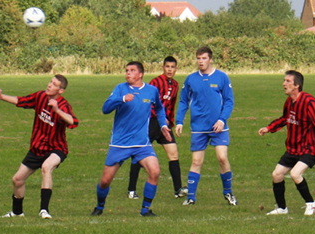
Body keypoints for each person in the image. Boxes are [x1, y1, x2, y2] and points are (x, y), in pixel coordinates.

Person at [0, 75, 78, 219]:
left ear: (61, 91)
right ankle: (17, 213)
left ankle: (44, 210)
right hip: (37, 147)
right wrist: (0, 96)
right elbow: (21, 100)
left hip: (56, 148)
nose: (49, 85)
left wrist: (57, 110)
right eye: (50, 82)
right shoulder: (40, 96)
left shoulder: (63, 105)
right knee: (17, 180)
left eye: (54, 84)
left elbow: (73, 121)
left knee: (46, 167)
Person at [91, 61, 171, 217]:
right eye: (127, 70)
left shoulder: (151, 91)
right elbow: (105, 109)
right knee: (105, 181)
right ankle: (100, 207)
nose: (128, 73)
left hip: (142, 144)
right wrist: (121, 99)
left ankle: (145, 210)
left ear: (140, 74)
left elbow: (160, 109)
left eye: (132, 70)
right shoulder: (120, 88)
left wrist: (163, 125)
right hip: (120, 144)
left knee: (155, 172)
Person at [258, 70, 315, 216]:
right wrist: (269, 128)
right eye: (284, 81)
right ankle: (282, 208)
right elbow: (285, 118)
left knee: (295, 174)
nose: (284, 84)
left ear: (297, 85)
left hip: (310, 148)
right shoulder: (289, 102)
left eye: (288, 81)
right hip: (294, 148)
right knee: (276, 175)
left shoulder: (308, 101)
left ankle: (311, 203)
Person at [175, 47, 237, 206]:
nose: (200, 61)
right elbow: (183, 101)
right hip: (198, 127)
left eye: (203, 58)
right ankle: (191, 197)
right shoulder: (191, 79)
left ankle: (228, 193)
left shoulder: (222, 77)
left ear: (210, 59)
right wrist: (179, 121)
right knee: (196, 161)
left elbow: (229, 101)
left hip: (218, 127)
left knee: (222, 158)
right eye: (198, 58)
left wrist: (222, 119)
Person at [127, 56, 188, 200]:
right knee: (139, 155)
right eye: (167, 66)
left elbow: (171, 105)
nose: (170, 70)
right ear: (163, 67)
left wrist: (169, 123)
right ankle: (131, 190)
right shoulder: (156, 82)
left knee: (173, 153)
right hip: (151, 123)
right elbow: (148, 101)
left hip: (165, 126)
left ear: (176, 69)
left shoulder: (175, 84)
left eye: (172, 67)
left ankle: (178, 189)